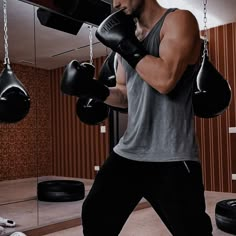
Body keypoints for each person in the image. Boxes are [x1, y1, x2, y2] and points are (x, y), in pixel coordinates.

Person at [81, 0, 213, 235]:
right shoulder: (126, 38)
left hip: (172, 154)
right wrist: (93, 89)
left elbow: (165, 80)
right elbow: (124, 97)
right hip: (129, 151)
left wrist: (126, 44)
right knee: (95, 214)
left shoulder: (178, 21)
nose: (115, 4)